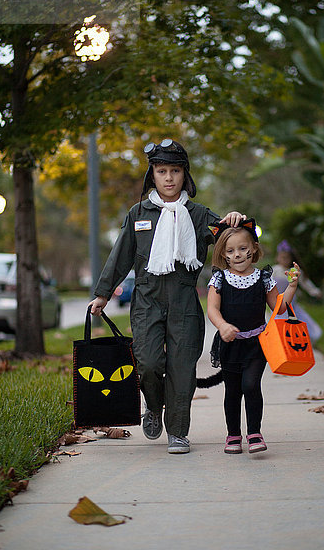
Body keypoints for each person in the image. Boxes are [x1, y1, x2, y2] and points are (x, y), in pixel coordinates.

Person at [89, 138, 246, 454]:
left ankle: (178, 431)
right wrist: (103, 293)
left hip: (184, 299)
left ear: (185, 175)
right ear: (153, 176)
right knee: (146, 362)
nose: (169, 178)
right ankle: (153, 404)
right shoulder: (139, 213)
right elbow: (121, 255)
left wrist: (235, 219)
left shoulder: (199, 214)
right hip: (147, 299)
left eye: (175, 170)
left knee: (182, 367)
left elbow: (234, 238)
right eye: (162, 171)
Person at [207, 220, 300, 455]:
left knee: (251, 385)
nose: (237, 255)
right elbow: (212, 309)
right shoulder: (219, 279)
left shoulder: (263, 278)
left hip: (257, 344)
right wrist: (222, 325)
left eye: (242, 249)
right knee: (232, 391)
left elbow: (278, 308)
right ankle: (233, 435)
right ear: (223, 254)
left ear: (254, 249)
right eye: (230, 251)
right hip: (229, 344)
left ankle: (255, 432)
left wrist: (291, 286)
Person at [272, 240, 322, 343]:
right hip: (278, 302)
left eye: (287, 257)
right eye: (282, 257)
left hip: (291, 303)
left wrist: (314, 291)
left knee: (296, 320)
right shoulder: (275, 270)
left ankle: (296, 339)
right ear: (277, 257)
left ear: (291, 258)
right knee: (280, 322)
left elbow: (305, 282)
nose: (284, 260)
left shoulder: (293, 271)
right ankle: (282, 341)